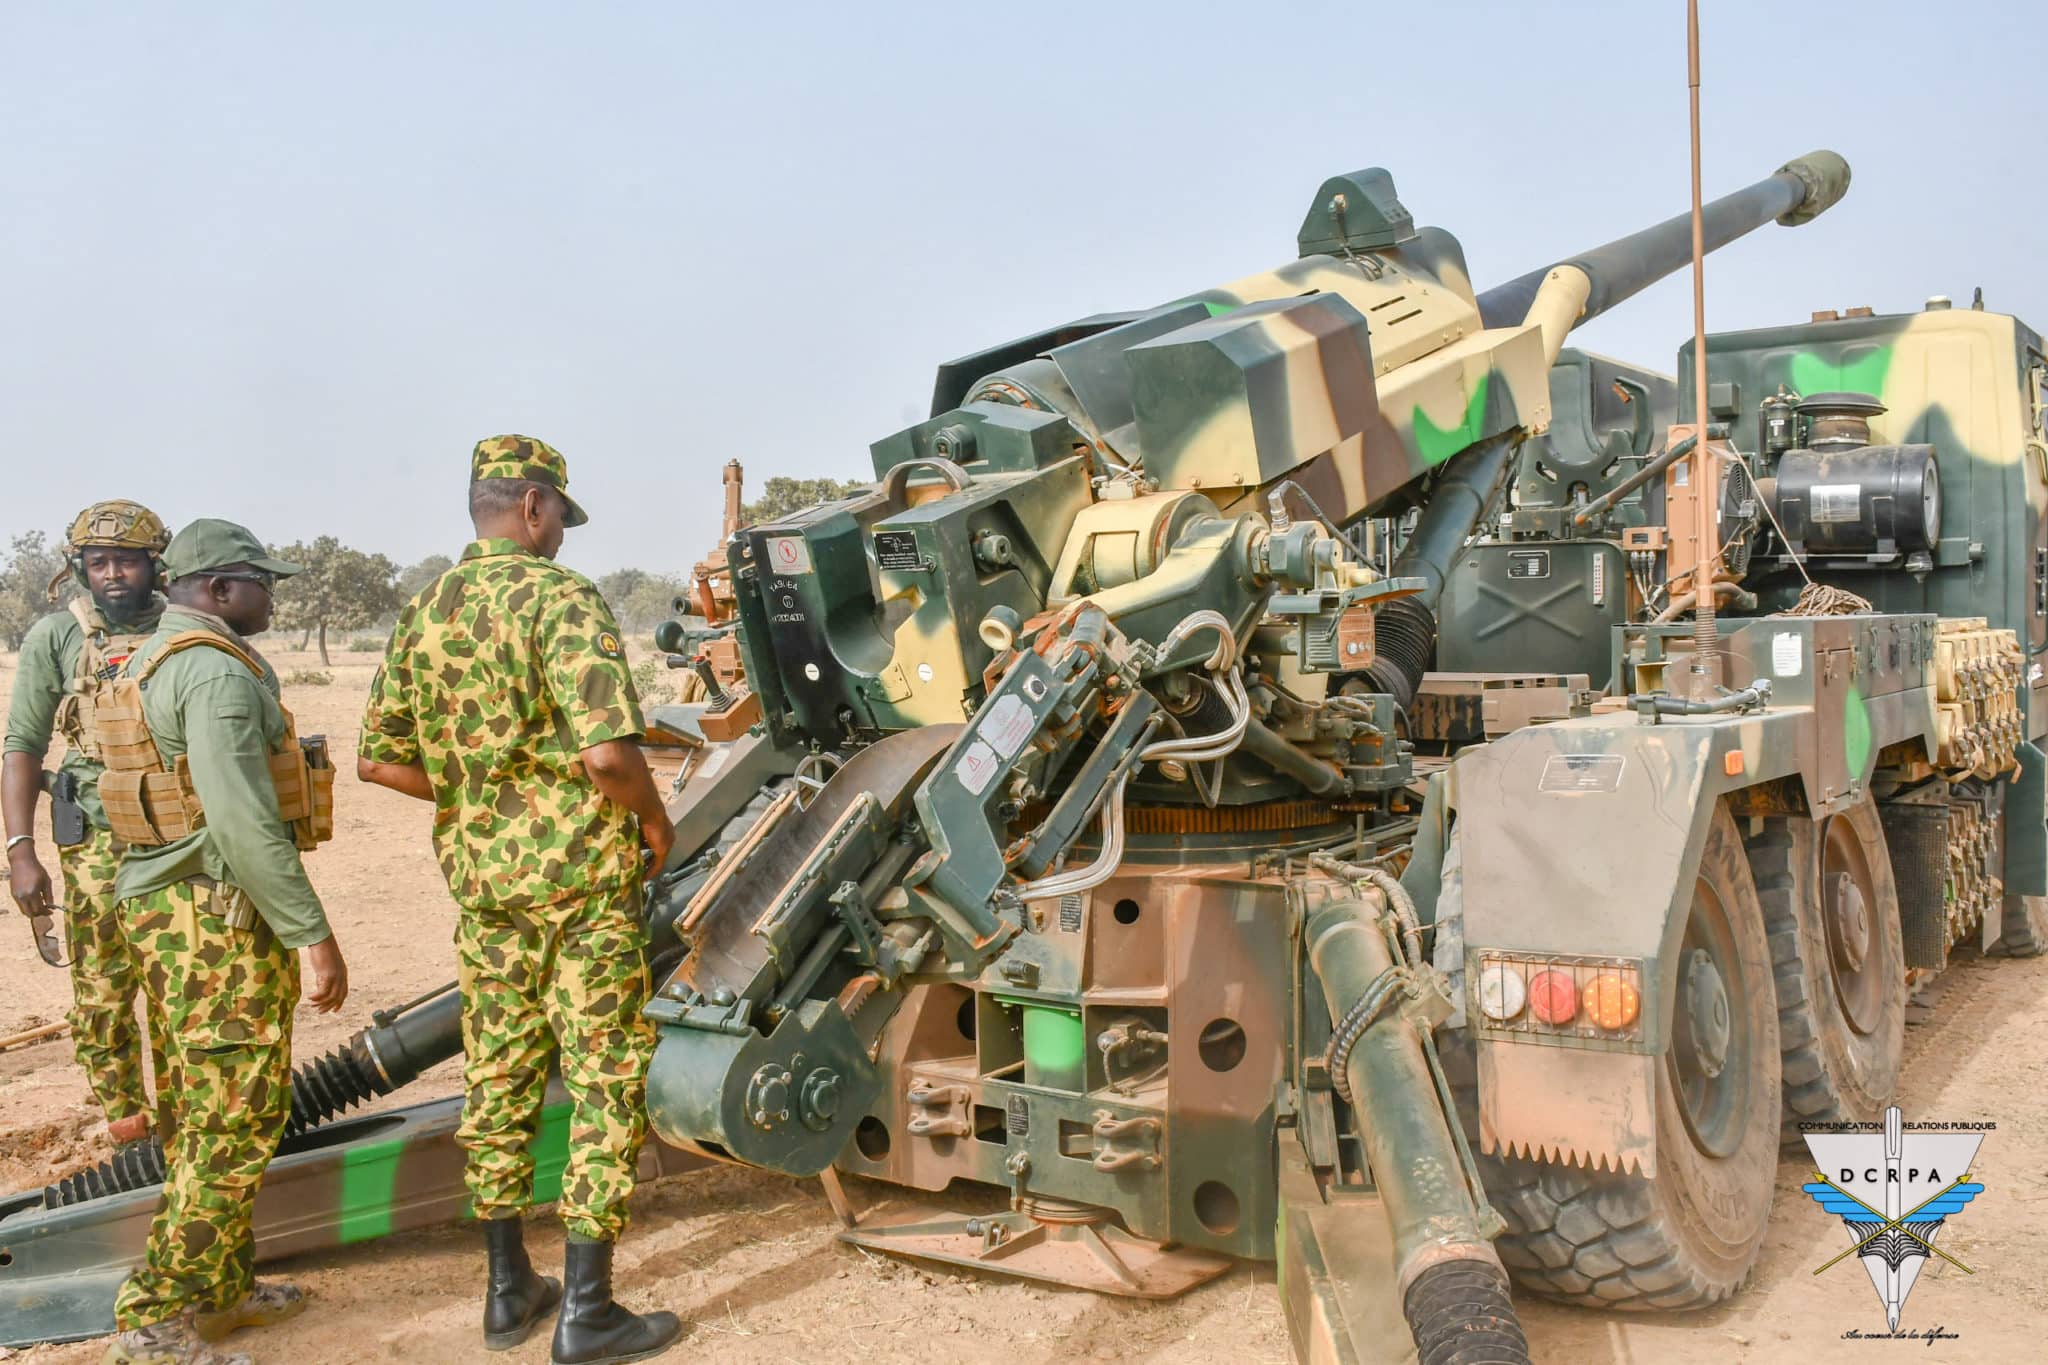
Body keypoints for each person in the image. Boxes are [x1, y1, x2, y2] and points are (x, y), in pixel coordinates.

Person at [358, 435, 679, 1364]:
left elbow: (378, 758)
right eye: (561, 518)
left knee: (497, 1077)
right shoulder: (560, 598)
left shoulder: (425, 609)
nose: (562, 535)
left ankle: (507, 1291)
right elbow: (608, 756)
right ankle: (589, 1312)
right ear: (534, 506)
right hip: (581, 889)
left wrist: (479, 796)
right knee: (604, 1077)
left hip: (487, 891)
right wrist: (653, 821)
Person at [101, 519, 350, 1365]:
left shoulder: (154, 659)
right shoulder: (213, 674)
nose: (270, 596)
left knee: (200, 1115)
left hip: (171, 917)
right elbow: (245, 824)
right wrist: (313, 935)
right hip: (212, 926)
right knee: (233, 1122)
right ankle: (153, 1319)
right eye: (259, 582)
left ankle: (221, 1288)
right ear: (217, 589)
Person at [5, 500, 172, 1147]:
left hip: (177, 836)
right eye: (98, 562)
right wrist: (21, 850)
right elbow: (23, 745)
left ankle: (183, 1124)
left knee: (180, 984)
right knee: (102, 994)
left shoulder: (186, 627)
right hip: (95, 841)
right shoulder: (57, 636)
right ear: (79, 568)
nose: (113, 574)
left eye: (126, 560)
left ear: (154, 565)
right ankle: (129, 1130)